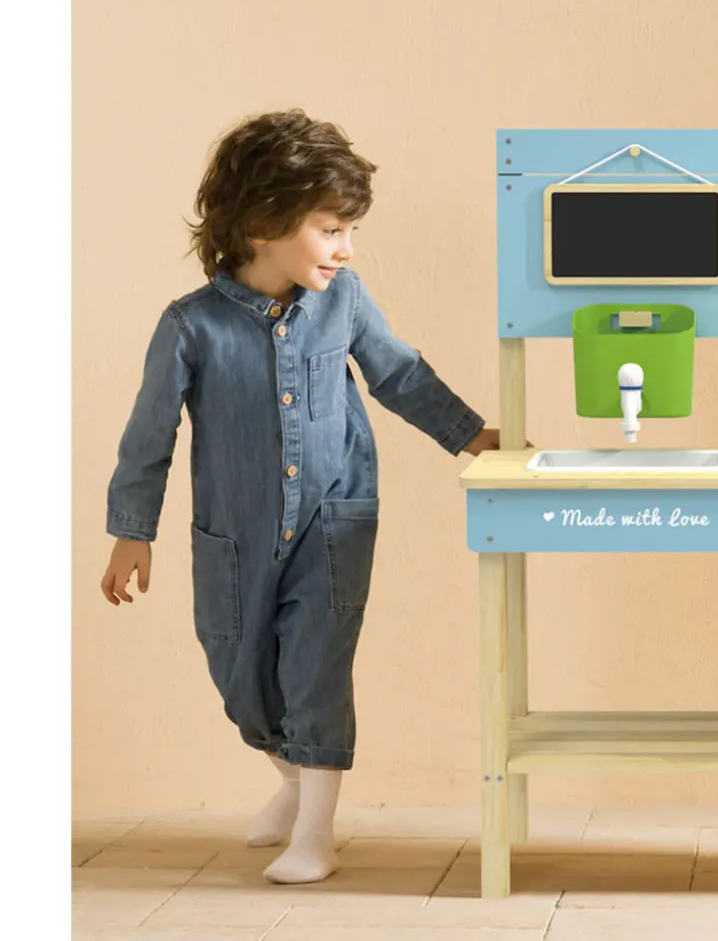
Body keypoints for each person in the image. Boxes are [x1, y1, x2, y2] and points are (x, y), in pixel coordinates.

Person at [99, 109, 503, 884]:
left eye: (350, 229)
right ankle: (293, 781)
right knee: (239, 673)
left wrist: (470, 433)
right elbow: (148, 434)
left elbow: (398, 373)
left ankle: (316, 831)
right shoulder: (190, 327)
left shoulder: (344, 300)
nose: (346, 248)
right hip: (234, 533)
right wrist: (131, 529)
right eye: (330, 229)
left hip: (333, 519)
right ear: (260, 225)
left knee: (318, 667)